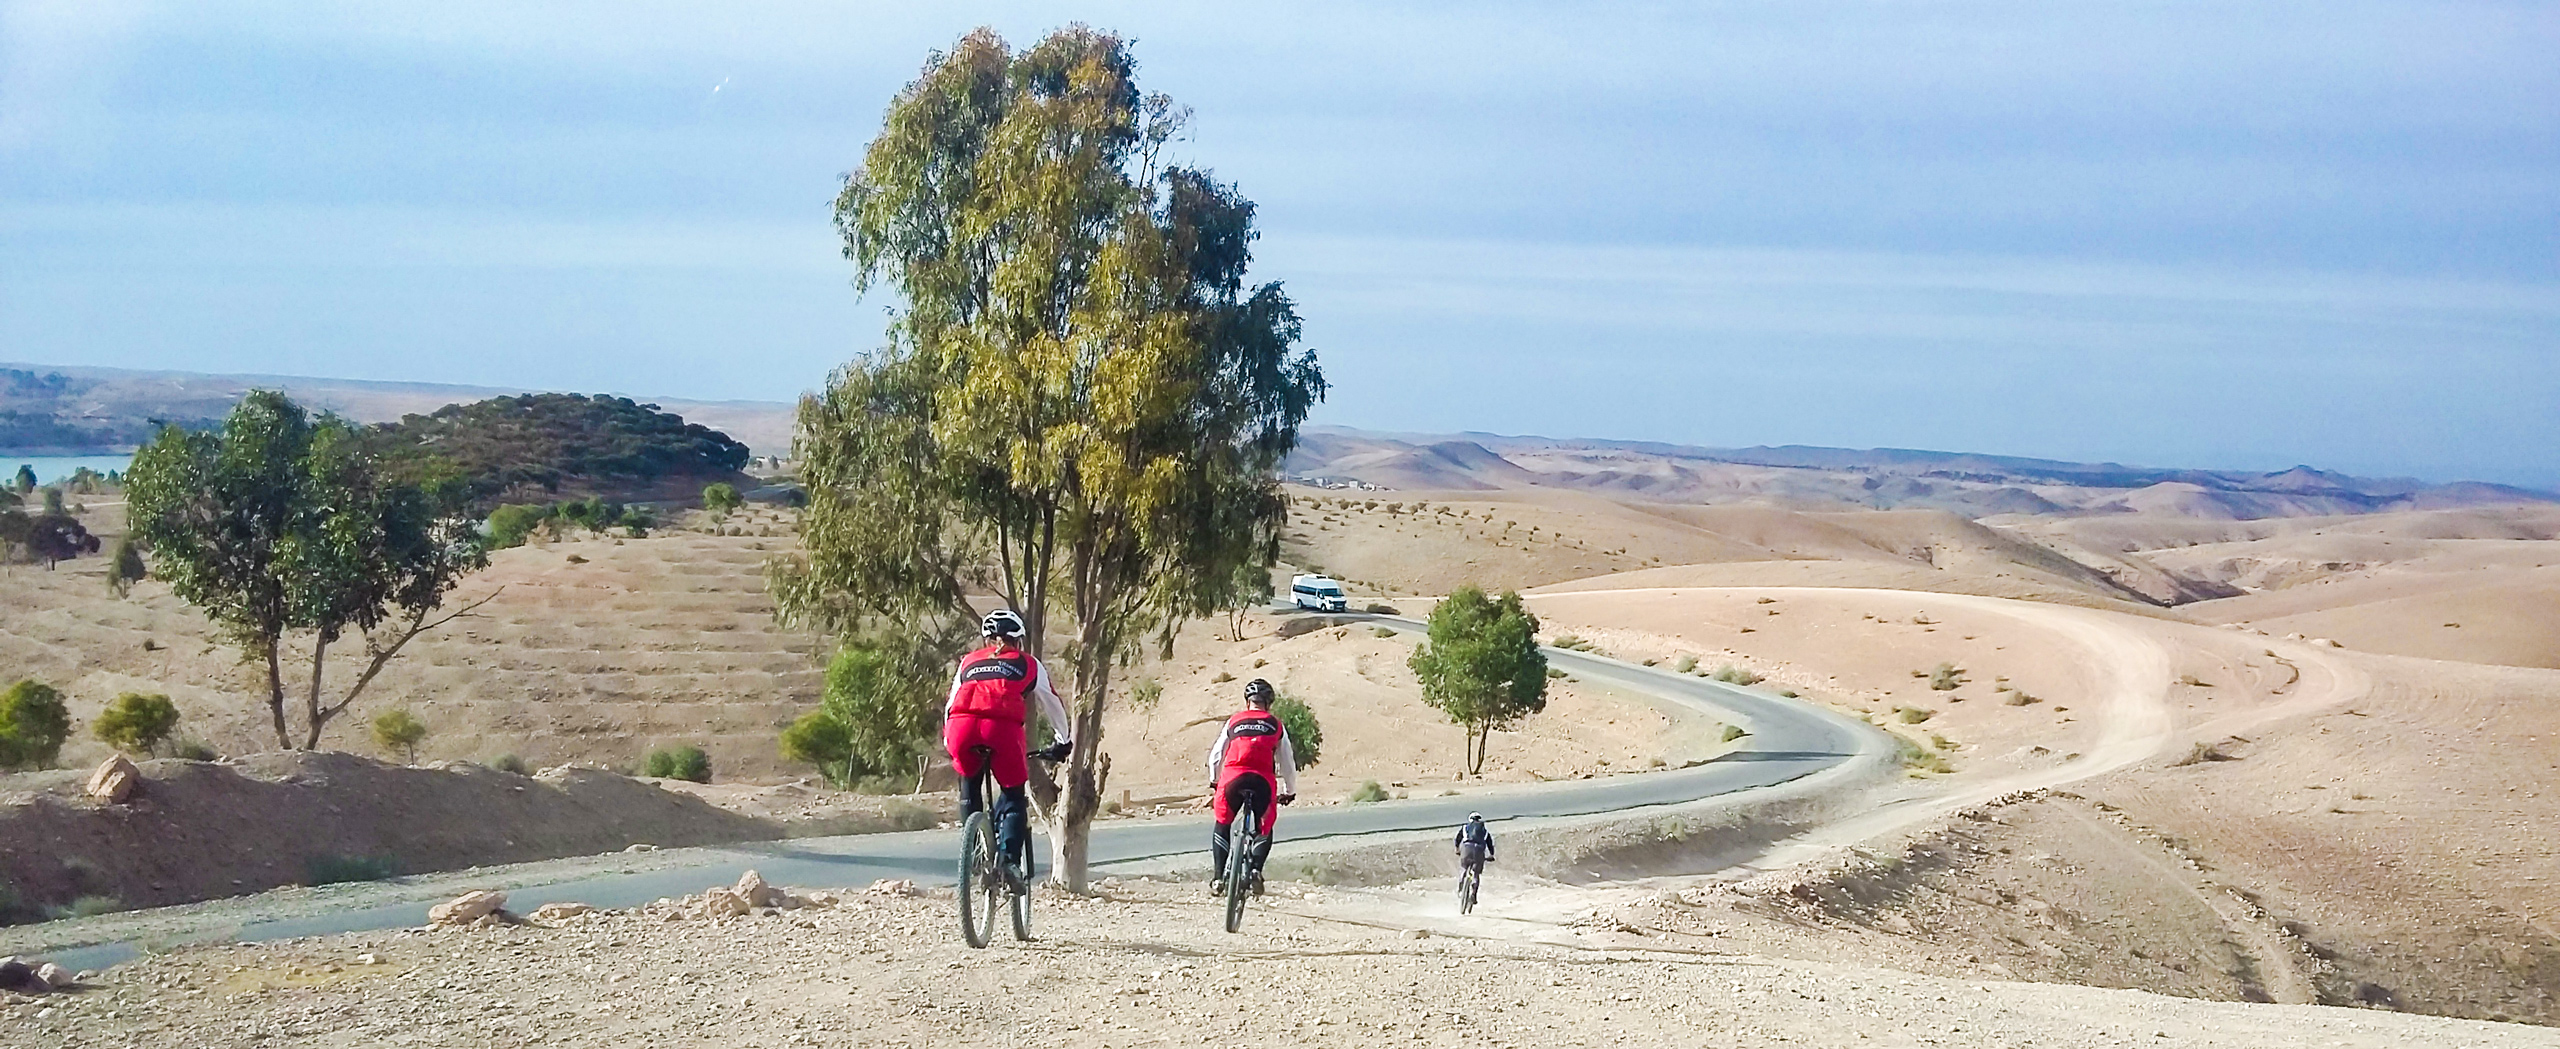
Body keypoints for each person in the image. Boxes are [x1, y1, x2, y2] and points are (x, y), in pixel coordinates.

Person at [944, 609, 1072, 871]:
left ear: (988, 639)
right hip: (1001, 730)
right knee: (1013, 795)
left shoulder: (968, 661)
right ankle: (1011, 864)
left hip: (961, 727)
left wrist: (948, 740)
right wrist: (1063, 741)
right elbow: (1053, 704)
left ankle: (975, 855)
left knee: (969, 784)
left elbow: (950, 704)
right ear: (1018, 640)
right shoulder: (1028, 663)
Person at [1205, 678, 1297, 896]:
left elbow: (1216, 756)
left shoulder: (1234, 721)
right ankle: (1255, 869)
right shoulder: (1276, 724)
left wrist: (1214, 780)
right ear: (1269, 703)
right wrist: (1289, 791)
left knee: (1222, 823)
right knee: (1264, 827)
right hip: (1262, 782)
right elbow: (1287, 762)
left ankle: (1218, 878)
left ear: (1248, 702)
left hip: (1232, 779)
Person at [1455, 812, 1495, 876]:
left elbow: (1458, 838)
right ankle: (1475, 880)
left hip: (1467, 848)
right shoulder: (1484, 830)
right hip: (1479, 849)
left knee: (1464, 867)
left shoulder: (1465, 827)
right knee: (1476, 873)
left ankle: (1462, 876)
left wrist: (1457, 848)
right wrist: (1491, 854)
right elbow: (1489, 843)